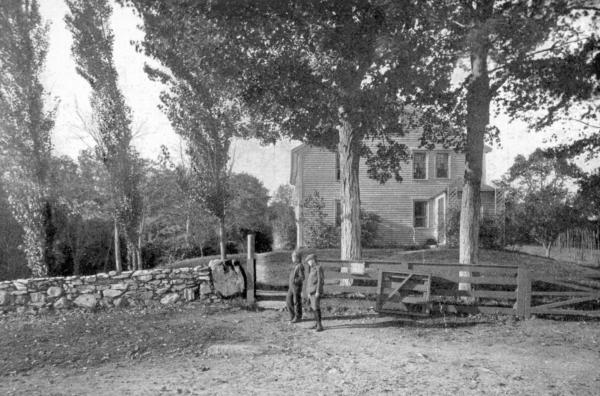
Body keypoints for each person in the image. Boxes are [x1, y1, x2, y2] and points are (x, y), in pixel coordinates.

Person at [305, 253, 324, 332]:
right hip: (311, 291)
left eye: (309, 261)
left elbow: (320, 280)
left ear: (313, 260)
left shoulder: (318, 268)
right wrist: (308, 292)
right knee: (313, 307)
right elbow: (309, 281)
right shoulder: (312, 269)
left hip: (316, 291)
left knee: (316, 307)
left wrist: (318, 291)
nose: (308, 263)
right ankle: (316, 323)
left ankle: (320, 325)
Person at [286, 250, 305, 323]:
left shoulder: (300, 266)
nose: (292, 258)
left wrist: (295, 281)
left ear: (297, 258)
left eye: (293, 257)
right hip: (291, 287)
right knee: (288, 300)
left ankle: (298, 317)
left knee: (296, 301)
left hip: (296, 287)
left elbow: (302, 277)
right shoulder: (295, 265)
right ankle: (292, 316)